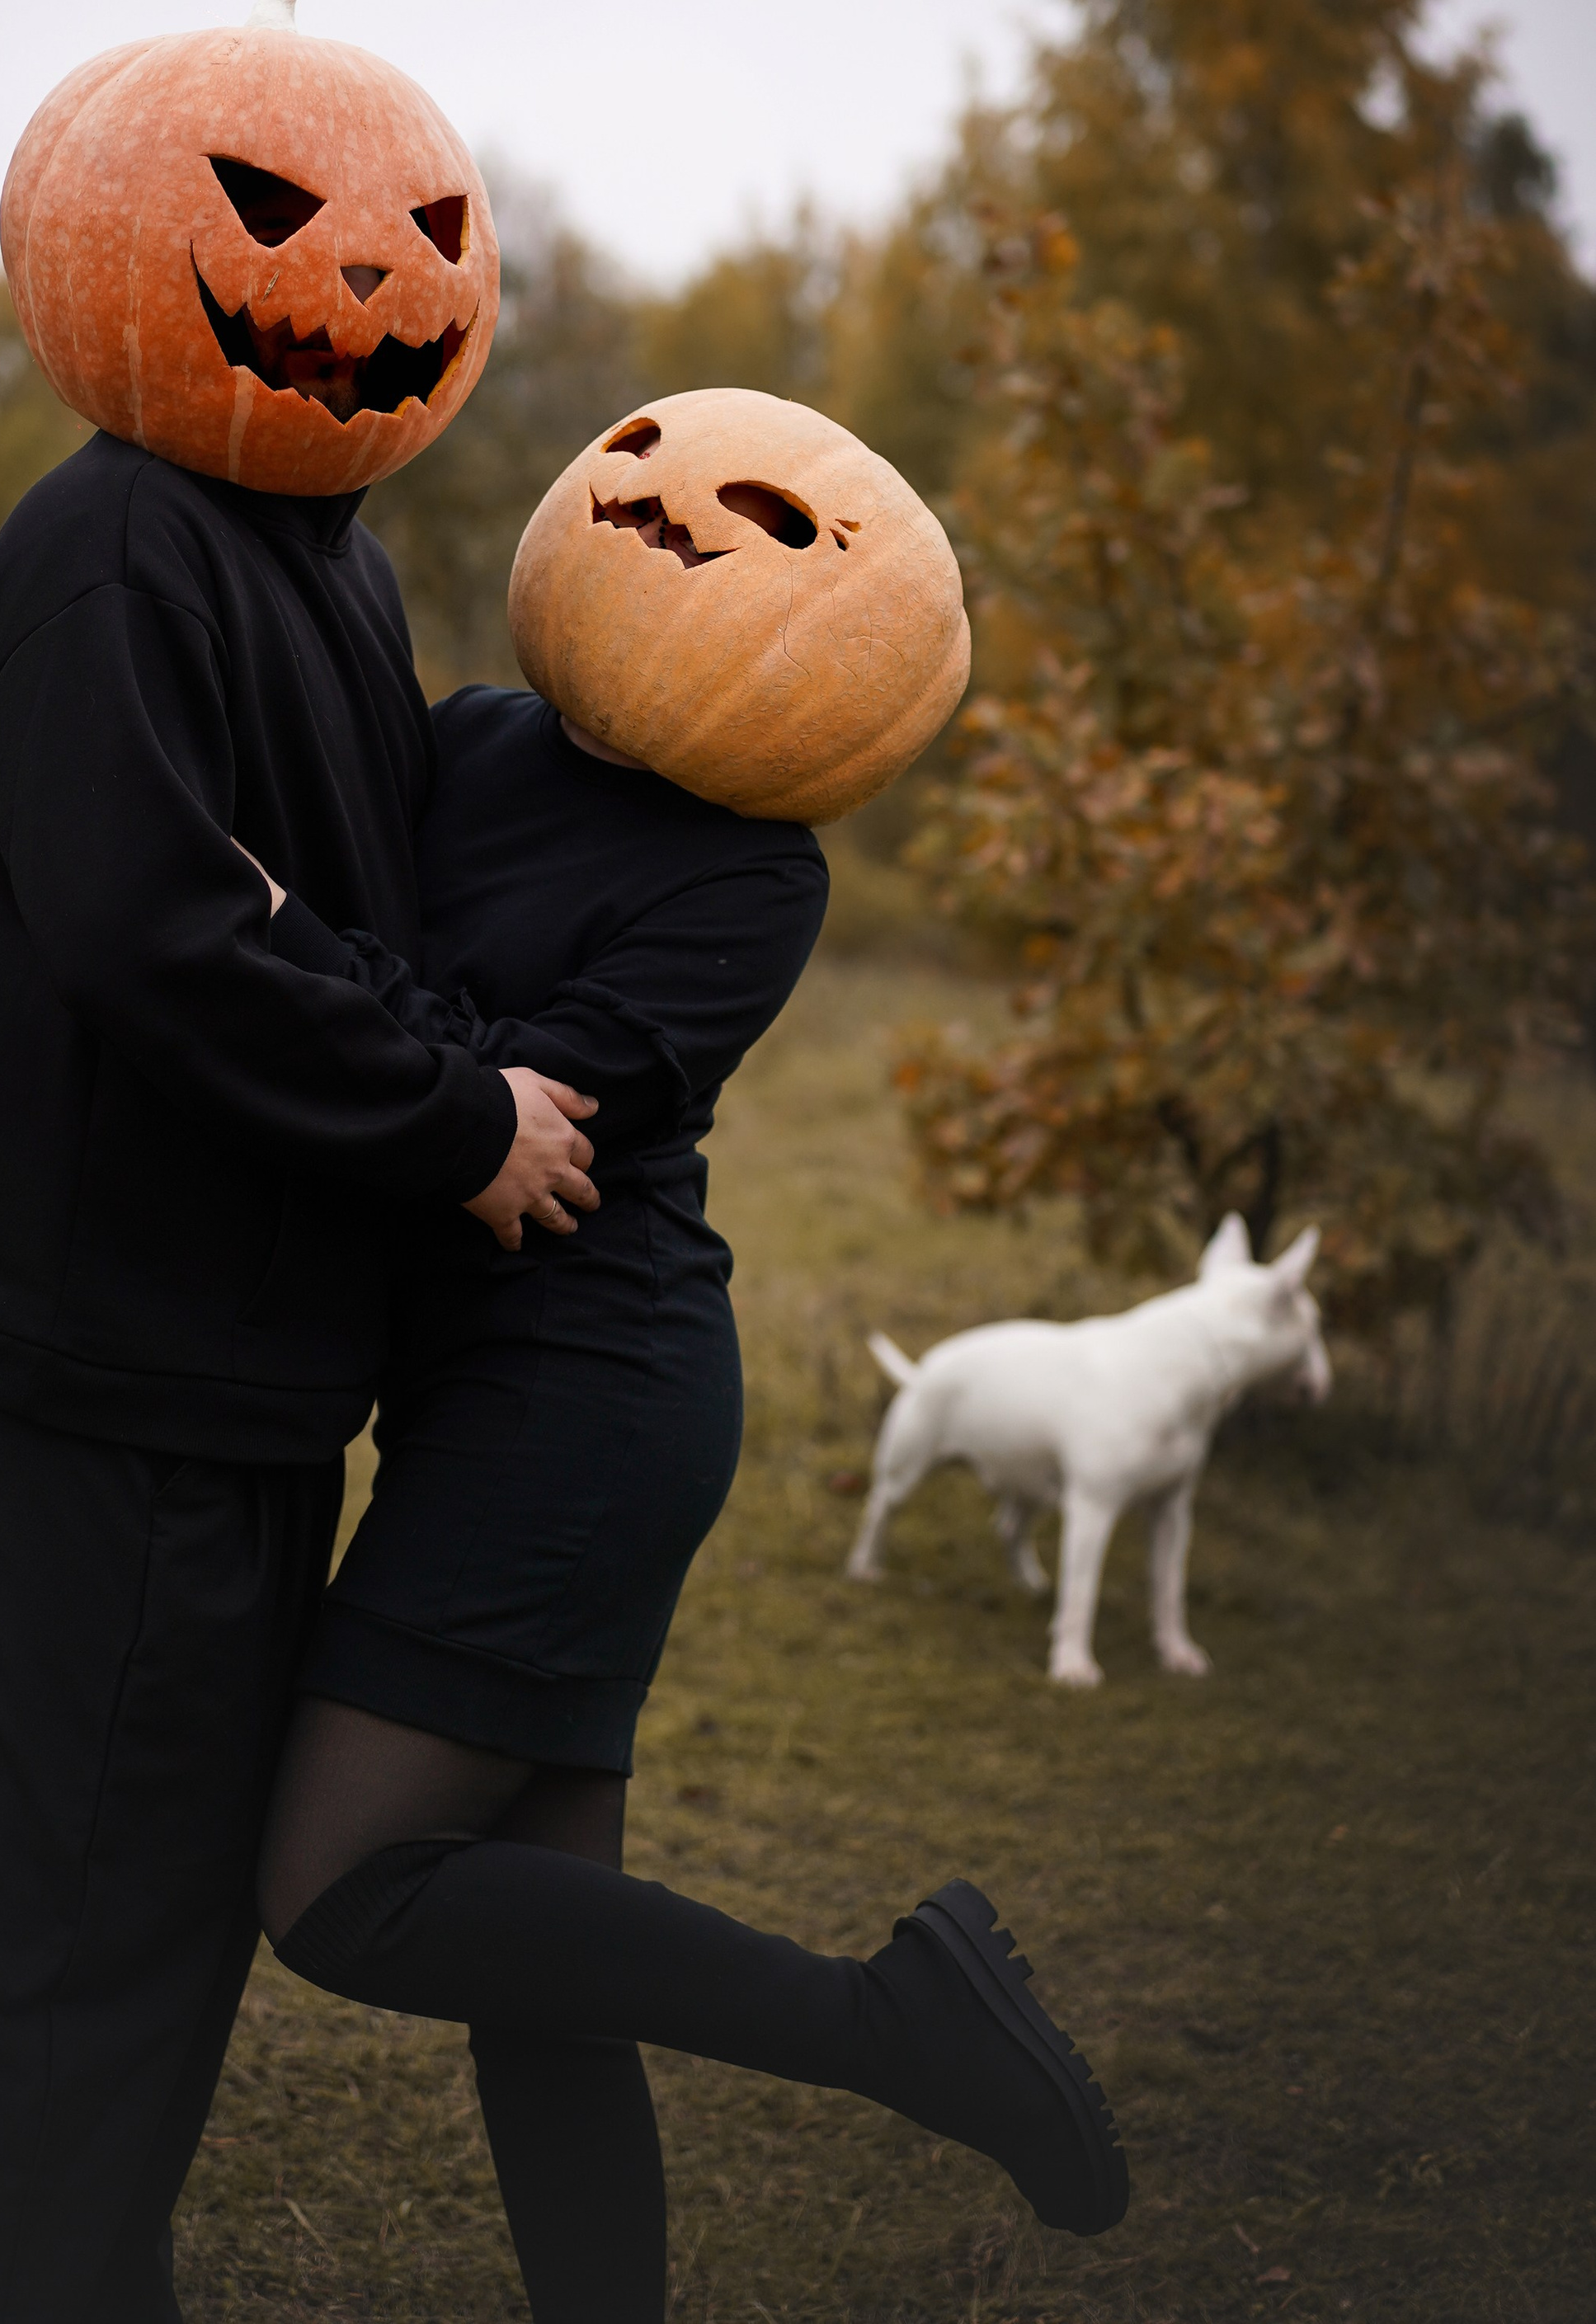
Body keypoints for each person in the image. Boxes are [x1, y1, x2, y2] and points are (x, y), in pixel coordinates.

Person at [0, 0, 600, 2324]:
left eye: (425, 240)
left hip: (237, 1367)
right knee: (67, 1935)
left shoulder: (324, 557)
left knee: (146, 1934)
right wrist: (450, 1122)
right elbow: (160, 928)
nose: (366, 279)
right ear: (135, 241)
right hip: (114, 1358)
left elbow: (319, 914)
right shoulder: (119, 550)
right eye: (278, 223)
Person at [248, 403, 1129, 2322]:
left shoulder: (756, 876)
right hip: (495, 1393)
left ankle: (891, 2022)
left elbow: (520, 1121)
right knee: (539, 1977)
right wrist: (324, 964)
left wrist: (295, 947)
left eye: (747, 523)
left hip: (586, 1402)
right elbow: (423, 1056)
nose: (662, 521)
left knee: (336, 1892)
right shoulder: (465, 737)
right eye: (645, 476)